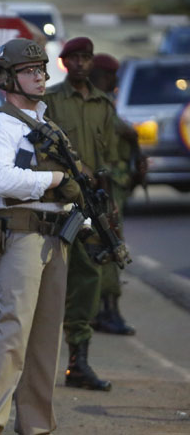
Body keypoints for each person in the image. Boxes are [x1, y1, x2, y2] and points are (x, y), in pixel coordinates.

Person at [0, 38, 81, 434]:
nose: (40, 76)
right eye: (30, 71)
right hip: (20, 234)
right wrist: (56, 179)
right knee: (12, 332)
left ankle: (34, 426)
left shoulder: (49, 126)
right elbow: (2, 179)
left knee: (46, 339)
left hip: (55, 236)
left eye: (42, 69)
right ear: (7, 79)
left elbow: (69, 186)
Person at [43, 37, 115, 391]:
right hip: (57, 202)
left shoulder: (104, 104)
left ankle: (78, 361)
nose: (82, 63)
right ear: (65, 62)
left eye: (87, 58)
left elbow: (111, 159)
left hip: (92, 206)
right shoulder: (52, 101)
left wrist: (110, 204)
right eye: (76, 58)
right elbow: (41, 151)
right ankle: (32, 361)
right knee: (45, 281)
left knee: (88, 281)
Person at [88, 53, 142, 336]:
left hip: (109, 184)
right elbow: (122, 133)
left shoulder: (96, 102)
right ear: (103, 77)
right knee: (111, 246)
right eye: (111, 75)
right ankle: (108, 310)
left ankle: (101, 310)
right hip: (107, 187)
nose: (115, 81)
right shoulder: (101, 103)